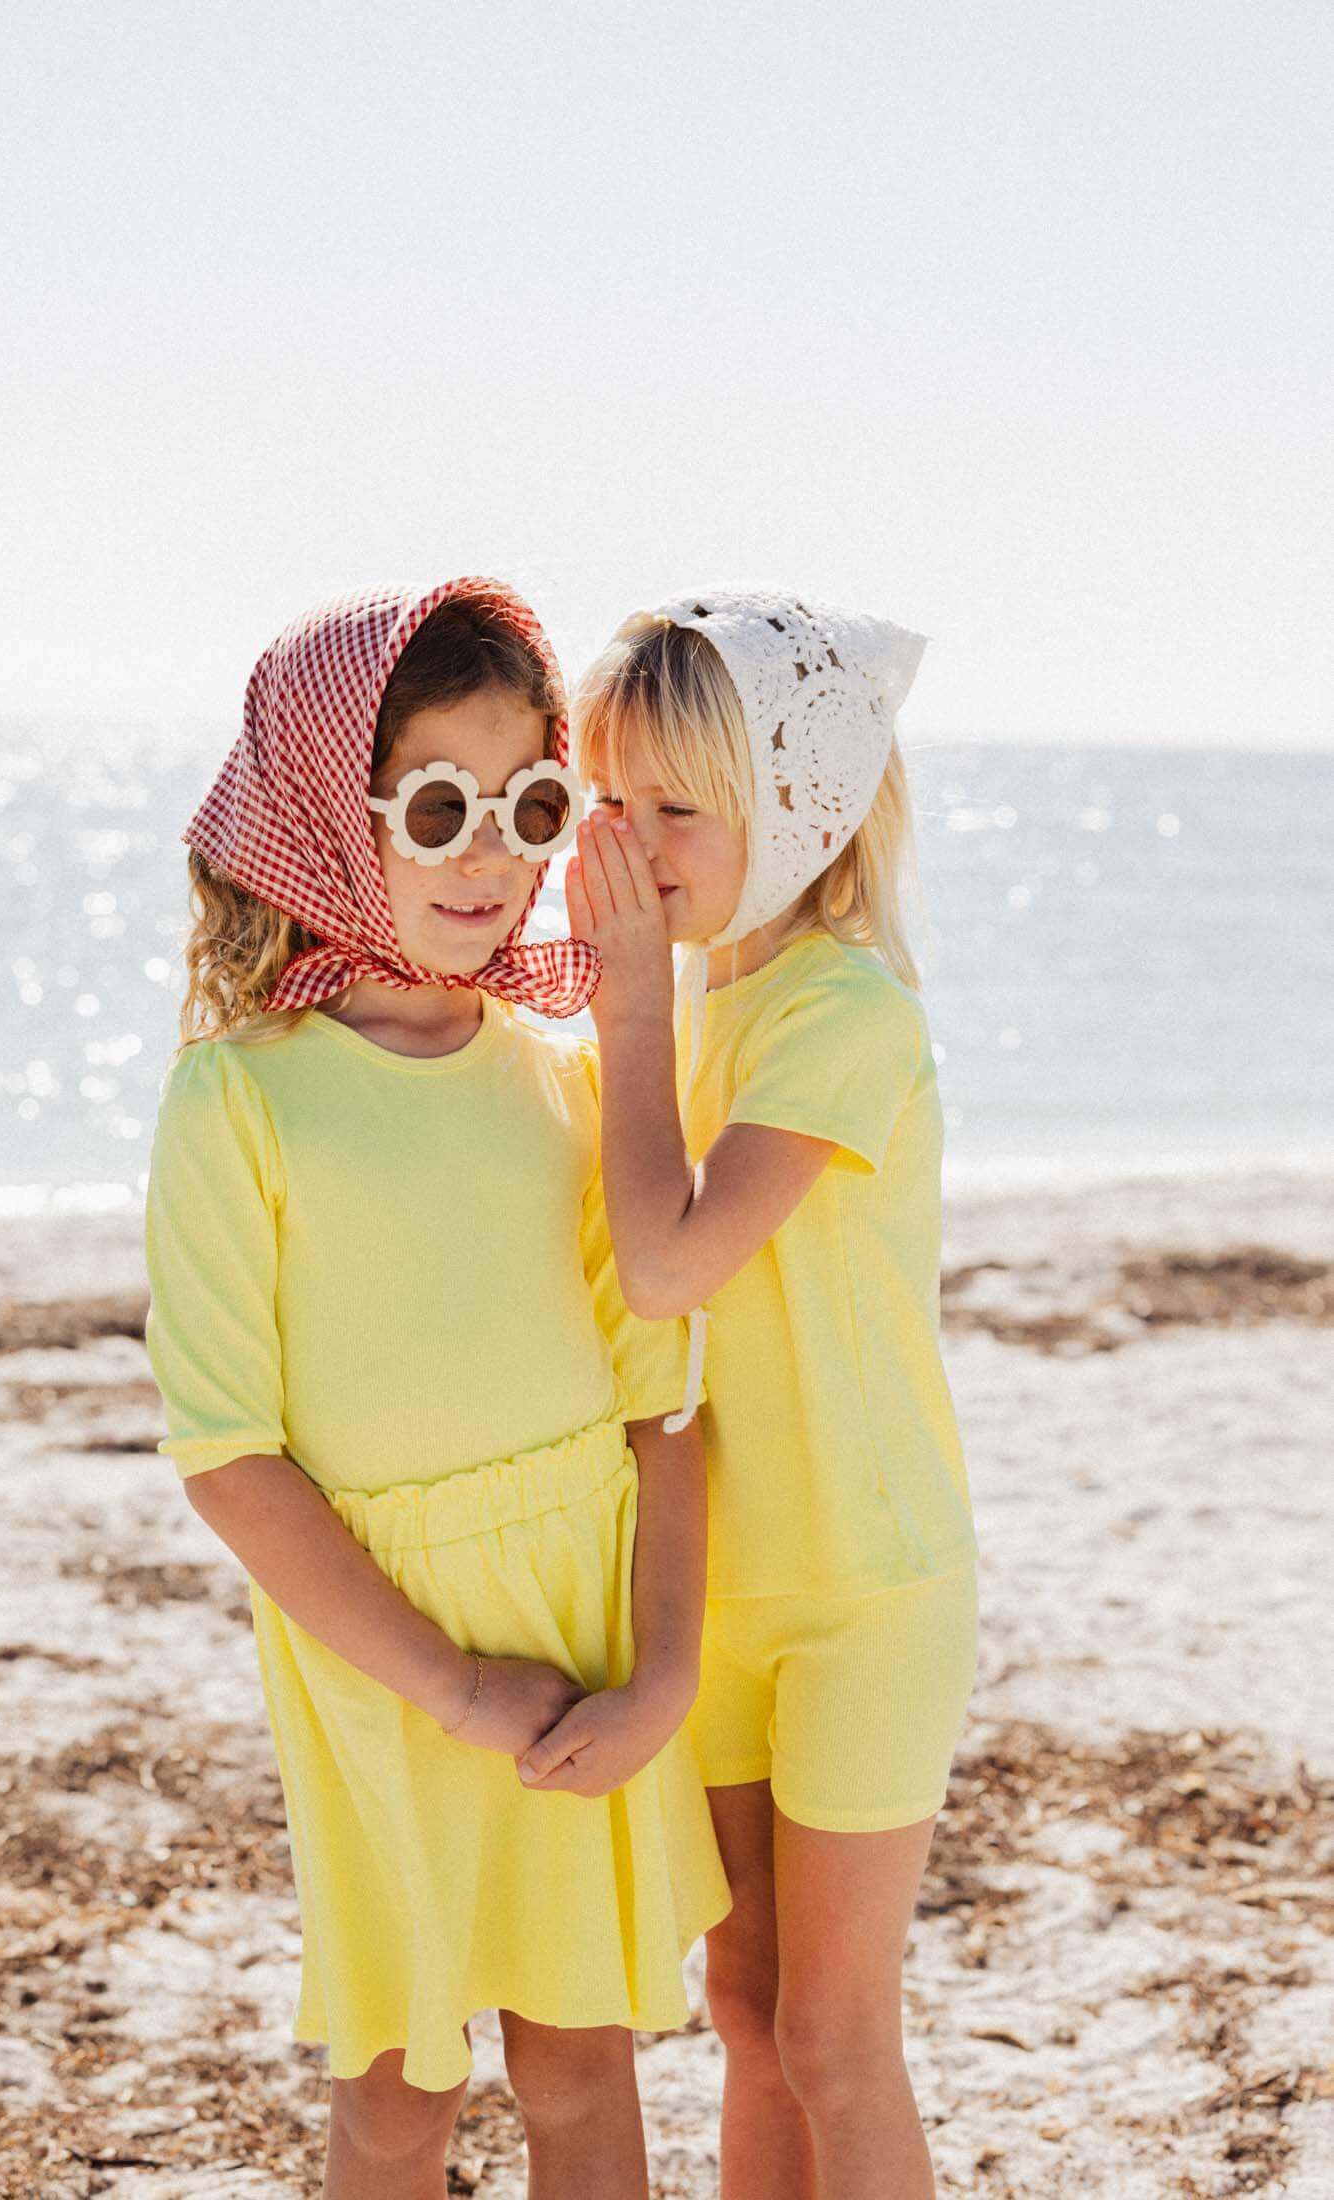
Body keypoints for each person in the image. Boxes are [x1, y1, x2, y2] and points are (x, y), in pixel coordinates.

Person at [143, 579, 729, 2200]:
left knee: (584, 2077)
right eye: (440, 808)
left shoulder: (566, 1080)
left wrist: (663, 1676)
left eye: (532, 805)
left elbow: (662, 1402)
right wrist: (447, 1683)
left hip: (582, 1621)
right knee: (399, 2095)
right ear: (340, 812)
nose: (491, 856)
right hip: (381, 1659)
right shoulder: (240, 1098)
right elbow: (228, 1455)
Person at [553, 591, 978, 2200]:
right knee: (742, 2009)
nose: (634, 843)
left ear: (795, 819)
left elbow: (673, 1264)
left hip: (866, 1589)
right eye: (610, 802)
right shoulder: (683, 1017)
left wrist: (633, 1007)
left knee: (838, 2035)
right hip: (716, 1595)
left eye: (680, 809)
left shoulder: (840, 1015)